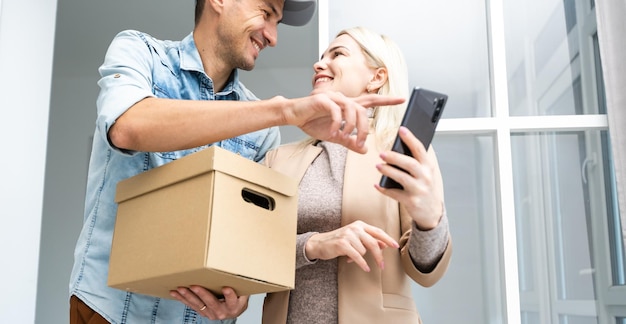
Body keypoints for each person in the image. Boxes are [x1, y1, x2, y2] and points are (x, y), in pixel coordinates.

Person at [68, 0, 405, 323]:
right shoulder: (140, 53)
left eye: (277, 22)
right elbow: (129, 127)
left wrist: (239, 293)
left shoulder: (263, 135)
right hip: (111, 312)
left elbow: (246, 246)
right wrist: (283, 111)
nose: (273, 36)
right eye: (266, 13)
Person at [260, 26, 453, 323]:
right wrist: (312, 245)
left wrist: (430, 222)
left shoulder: (404, 152)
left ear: (376, 78)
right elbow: (252, 252)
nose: (319, 63)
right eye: (322, 55)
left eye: (337, 53)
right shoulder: (279, 158)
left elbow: (426, 271)